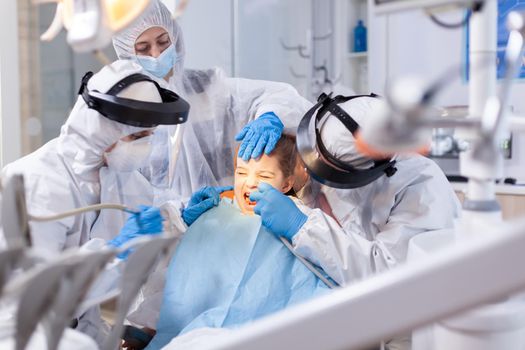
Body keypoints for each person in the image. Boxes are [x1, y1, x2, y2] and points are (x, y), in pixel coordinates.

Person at [248, 95, 461, 349]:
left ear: (358, 173)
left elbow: (384, 273)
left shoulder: (422, 190)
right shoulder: (340, 128)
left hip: (407, 326)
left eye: (322, 167)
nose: (309, 167)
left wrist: (301, 226)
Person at [91, 0, 311, 242]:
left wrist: (271, 114)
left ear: (176, 37)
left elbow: (279, 96)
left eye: (163, 42)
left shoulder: (209, 89)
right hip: (166, 245)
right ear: (126, 53)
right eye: (143, 48)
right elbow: (125, 201)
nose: (156, 55)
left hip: (233, 230)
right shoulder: (124, 119)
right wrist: (178, 214)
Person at [0, 60, 177, 344]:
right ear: (100, 128)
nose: (143, 146)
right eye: (135, 136)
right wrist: (113, 255)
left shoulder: (125, 180)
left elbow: (149, 232)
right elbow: (35, 296)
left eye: (149, 136)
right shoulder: (39, 182)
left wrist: (180, 216)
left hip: (81, 329)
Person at [124, 134, 331, 350]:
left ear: (287, 183)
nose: (249, 183)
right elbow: (177, 293)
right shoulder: (210, 216)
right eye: (241, 172)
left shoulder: (303, 226)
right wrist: (150, 332)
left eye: (264, 175)